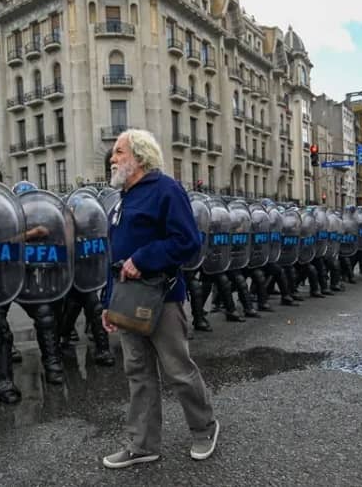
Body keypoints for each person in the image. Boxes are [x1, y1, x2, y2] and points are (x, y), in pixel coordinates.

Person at [100, 129, 218, 469]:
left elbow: (188, 242)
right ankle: (142, 445)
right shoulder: (123, 197)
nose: (113, 158)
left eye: (119, 152)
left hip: (162, 297)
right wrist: (109, 302)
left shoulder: (166, 189)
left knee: (178, 370)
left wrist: (144, 258)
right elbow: (115, 255)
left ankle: (204, 428)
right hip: (126, 300)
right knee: (138, 373)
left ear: (139, 157)